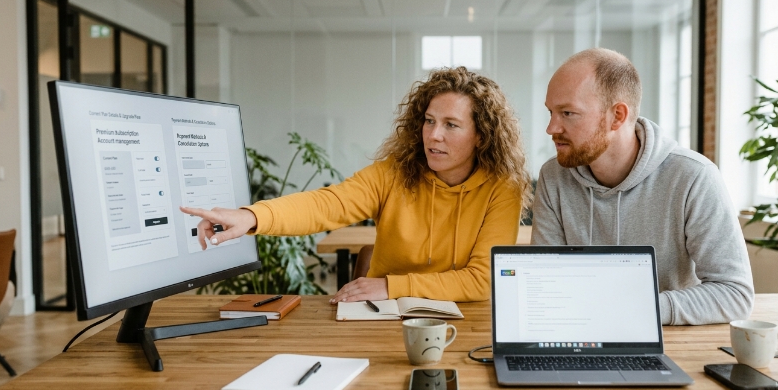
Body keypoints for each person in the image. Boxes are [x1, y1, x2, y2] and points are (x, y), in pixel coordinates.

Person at [181, 67, 531, 304]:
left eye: (451, 125)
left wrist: (392, 286)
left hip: (460, 317)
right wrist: (252, 216)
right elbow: (327, 204)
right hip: (382, 312)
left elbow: (482, 280)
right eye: (429, 121)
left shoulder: (502, 188)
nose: (433, 135)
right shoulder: (394, 173)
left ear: (481, 135)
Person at [531, 48, 754, 325]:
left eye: (568, 113)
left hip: (669, 337)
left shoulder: (694, 176)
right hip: (581, 331)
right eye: (551, 112)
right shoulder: (554, 176)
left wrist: (636, 309)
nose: (551, 128)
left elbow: (735, 294)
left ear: (617, 116)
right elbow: (545, 281)